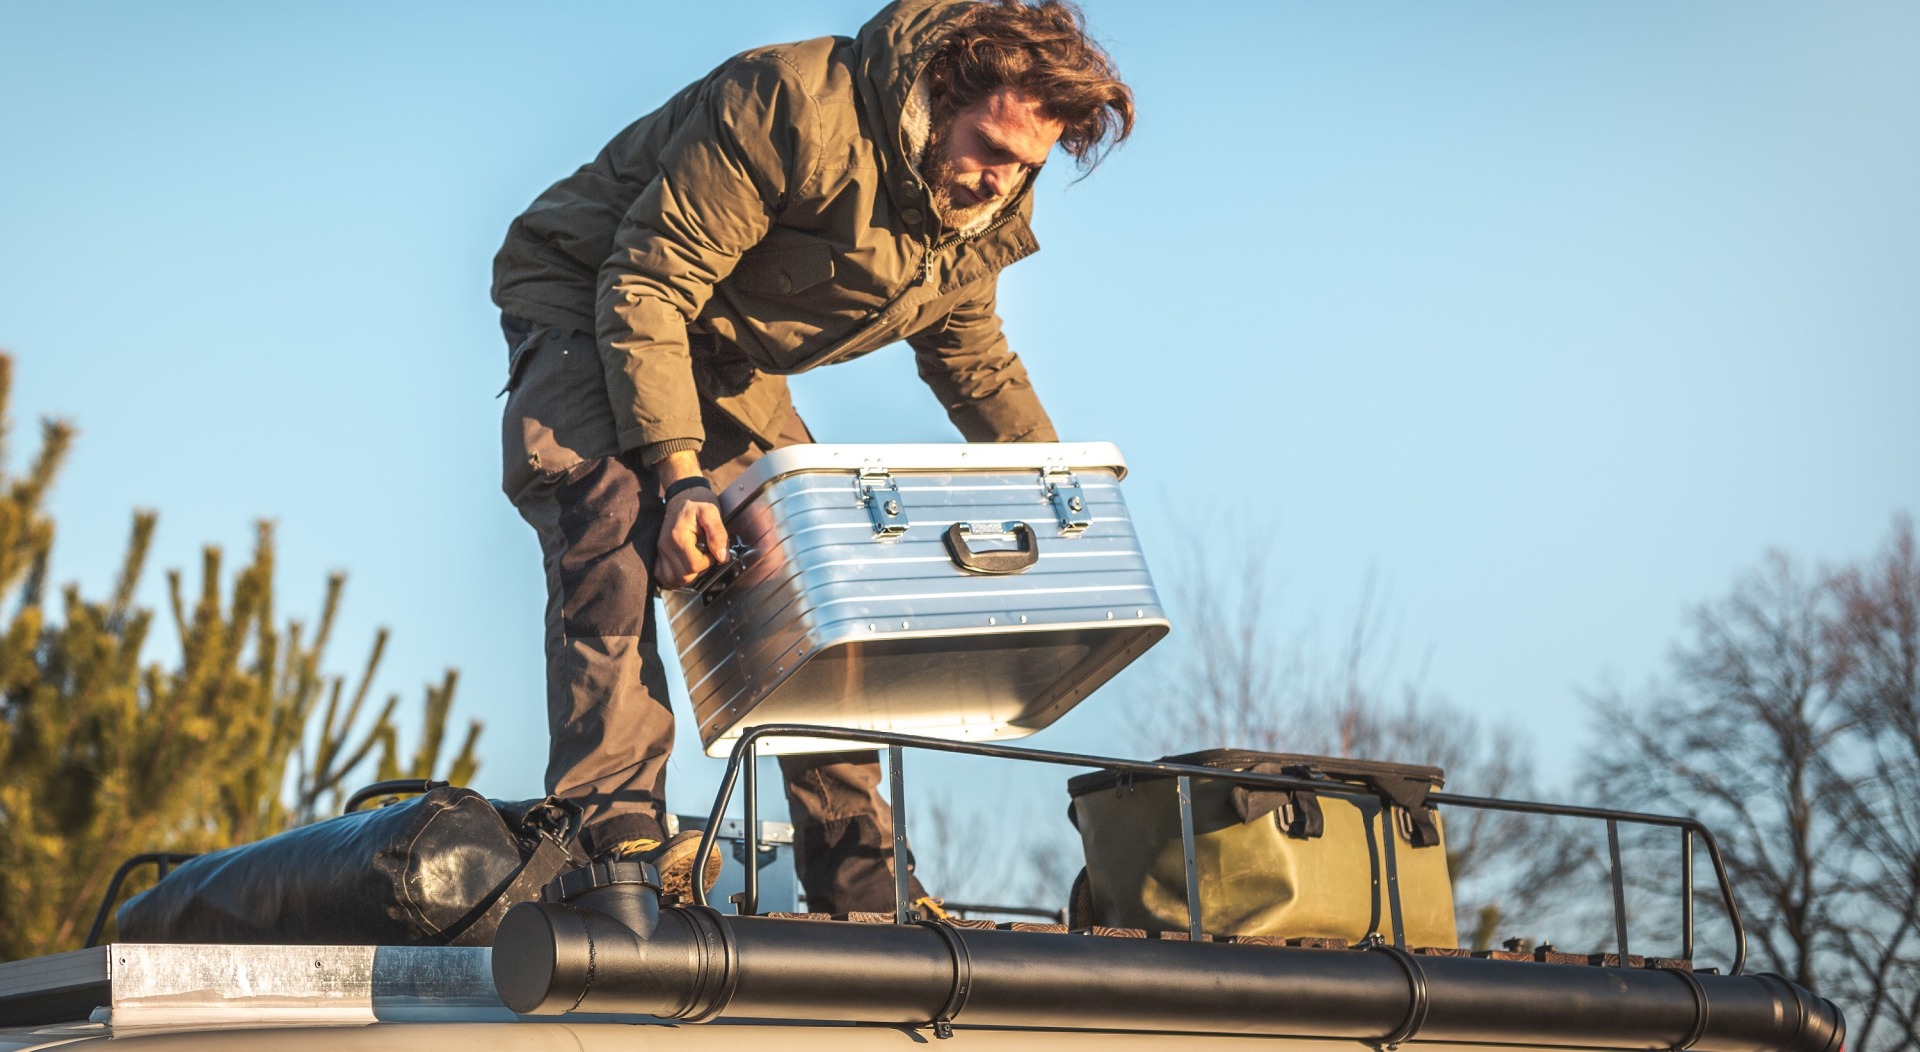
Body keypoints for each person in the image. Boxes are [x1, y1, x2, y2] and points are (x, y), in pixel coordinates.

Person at [493, 0, 1132, 912]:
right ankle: (615, 834)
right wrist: (678, 476)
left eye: (1024, 166)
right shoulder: (793, 103)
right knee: (615, 521)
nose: (1001, 182)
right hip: (590, 292)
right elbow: (646, 279)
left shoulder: (975, 207)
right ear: (942, 92)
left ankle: (859, 868)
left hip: (721, 344)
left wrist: (1065, 497)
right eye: (989, 148)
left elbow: (972, 357)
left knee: (809, 558)